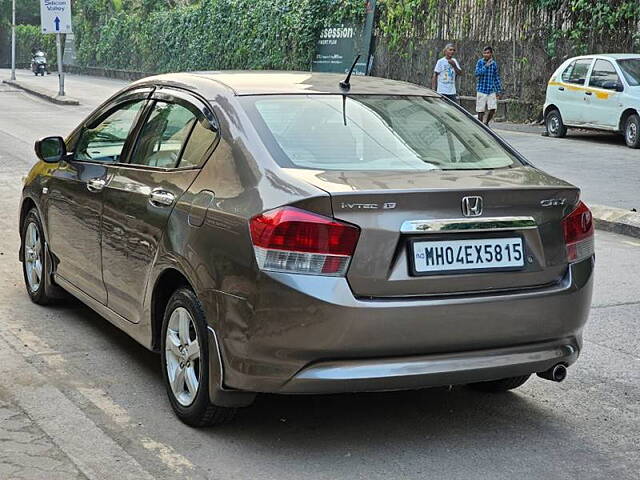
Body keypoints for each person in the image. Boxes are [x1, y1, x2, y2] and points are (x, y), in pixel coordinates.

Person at [475, 46, 503, 125]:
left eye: (488, 53)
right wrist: (486, 66)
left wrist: (498, 90)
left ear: (491, 54)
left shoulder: (494, 64)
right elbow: (477, 73)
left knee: (493, 108)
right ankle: (480, 125)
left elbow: (496, 77)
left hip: (491, 89)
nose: (486, 55)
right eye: (484, 53)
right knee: (480, 110)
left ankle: (486, 123)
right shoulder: (480, 62)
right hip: (481, 89)